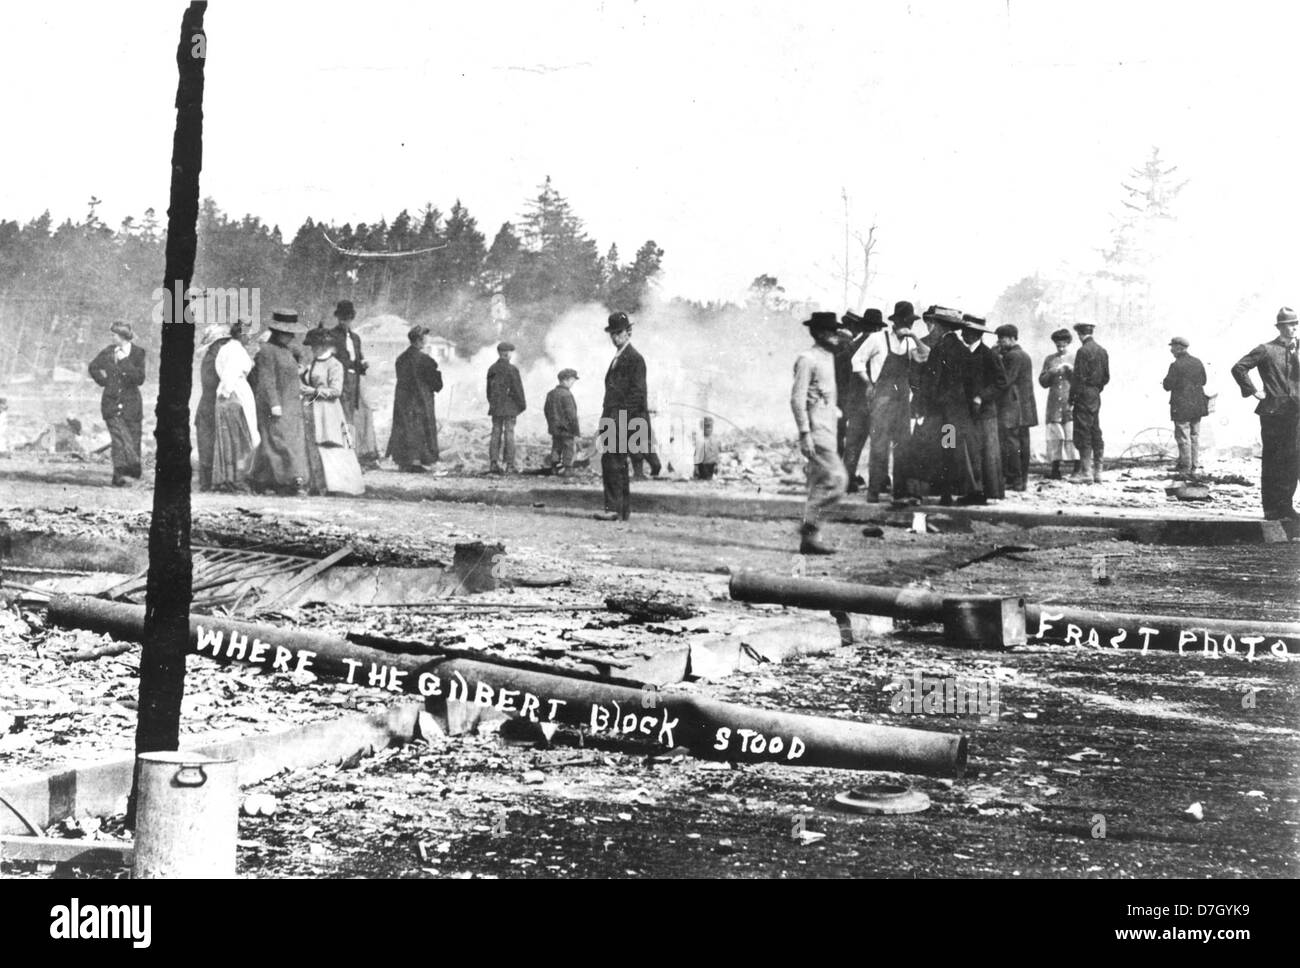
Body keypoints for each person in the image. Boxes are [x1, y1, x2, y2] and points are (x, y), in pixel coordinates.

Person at [1230, 307, 1300, 521]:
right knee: (1273, 460)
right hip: (1273, 413)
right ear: (1280, 327)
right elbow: (1239, 368)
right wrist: (1253, 391)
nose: (1294, 329)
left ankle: (1286, 507)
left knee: (1293, 458)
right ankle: (1271, 509)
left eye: (1296, 324)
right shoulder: (1266, 349)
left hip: (1296, 412)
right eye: (1289, 325)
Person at [791, 311, 849, 553]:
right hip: (816, 431)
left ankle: (810, 541)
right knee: (838, 480)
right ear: (821, 333)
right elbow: (797, 399)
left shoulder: (828, 357)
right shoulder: (808, 359)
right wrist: (804, 433)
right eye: (832, 331)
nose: (837, 336)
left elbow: (847, 342)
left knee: (818, 485)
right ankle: (810, 527)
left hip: (828, 429)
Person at [859, 301, 928, 502]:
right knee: (879, 445)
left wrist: (913, 336)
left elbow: (926, 355)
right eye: (906, 322)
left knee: (902, 446)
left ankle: (899, 492)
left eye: (912, 323)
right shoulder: (877, 339)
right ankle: (874, 491)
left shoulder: (910, 343)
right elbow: (857, 361)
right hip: (882, 398)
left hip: (902, 401)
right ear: (895, 322)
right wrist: (869, 383)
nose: (909, 325)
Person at [917, 306, 979, 506]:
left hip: (942, 414)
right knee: (952, 449)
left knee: (944, 452)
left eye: (935, 324)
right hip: (958, 413)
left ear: (941, 326)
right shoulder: (963, 350)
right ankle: (952, 491)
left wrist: (926, 403)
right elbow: (971, 384)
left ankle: (946, 494)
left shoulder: (940, 348)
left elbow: (931, 382)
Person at [249, 310, 309, 495]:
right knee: (278, 442)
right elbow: (267, 379)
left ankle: (264, 480)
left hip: (291, 403)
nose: (289, 336)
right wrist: (274, 403)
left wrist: (300, 370)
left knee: (286, 442)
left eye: (291, 333)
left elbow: (289, 371)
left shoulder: (287, 349)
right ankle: (286, 482)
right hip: (276, 404)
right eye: (286, 332)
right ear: (276, 332)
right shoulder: (267, 350)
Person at [596, 311, 649, 521]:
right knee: (614, 463)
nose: (615, 337)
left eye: (619, 333)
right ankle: (621, 510)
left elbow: (637, 393)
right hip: (612, 417)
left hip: (621, 418)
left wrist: (621, 419)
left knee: (614, 463)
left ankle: (613, 509)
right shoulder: (618, 357)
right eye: (612, 334)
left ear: (628, 333)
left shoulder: (634, 358)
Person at [300, 328, 364, 496]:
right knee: (314, 446)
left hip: (328, 410)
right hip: (312, 408)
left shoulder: (335, 365)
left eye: (315, 345)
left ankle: (338, 485)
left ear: (324, 345)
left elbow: (336, 391)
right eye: (312, 346)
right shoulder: (313, 363)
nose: (313, 349)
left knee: (331, 445)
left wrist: (313, 391)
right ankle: (317, 484)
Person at [88, 321, 146, 487]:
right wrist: (104, 381)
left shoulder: (138, 353)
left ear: (122, 337)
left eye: (114, 335)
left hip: (132, 404)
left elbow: (139, 379)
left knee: (133, 438)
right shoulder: (107, 352)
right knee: (118, 439)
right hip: (111, 402)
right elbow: (93, 367)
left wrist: (124, 361)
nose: (111, 337)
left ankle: (134, 475)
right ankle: (119, 475)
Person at [961, 315, 1008, 504]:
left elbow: (1001, 382)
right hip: (967, 411)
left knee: (988, 452)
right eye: (964, 330)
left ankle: (990, 493)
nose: (964, 334)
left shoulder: (989, 355)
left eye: (968, 331)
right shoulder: (963, 354)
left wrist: (982, 397)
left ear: (977, 333)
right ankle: (974, 491)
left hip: (986, 412)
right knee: (970, 451)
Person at [841, 308, 886, 491]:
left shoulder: (852, 345)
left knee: (853, 443)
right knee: (879, 444)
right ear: (877, 327)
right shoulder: (883, 345)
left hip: (856, 402)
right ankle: (879, 481)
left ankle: (847, 479)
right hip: (878, 402)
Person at [387, 325, 443, 472]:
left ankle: (405, 461)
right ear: (420, 339)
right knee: (421, 430)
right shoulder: (426, 360)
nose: (427, 339)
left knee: (405, 428)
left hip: (403, 401)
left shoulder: (401, 358)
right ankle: (417, 462)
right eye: (425, 336)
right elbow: (437, 385)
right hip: (421, 401)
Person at [211, 319, 259, 491]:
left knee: (233, 436)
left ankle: (231, 478)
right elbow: (230, 373)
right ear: (241, 334)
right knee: (239, 436)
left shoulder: (228, 348)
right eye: (248, 334)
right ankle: (236, 479)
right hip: (233, 392)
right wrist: (228, 393)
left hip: (232, 391)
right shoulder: (234, 350)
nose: (251, 338)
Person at [994, 323, 1038, 491]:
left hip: (1012, 408)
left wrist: (996, 358)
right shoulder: (1024, 355)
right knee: (1023, 444)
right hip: (1024, 408)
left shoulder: (1012, 356)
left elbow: (1004, 380)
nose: (999, 342)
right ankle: (1022, 480)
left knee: (1011, 444)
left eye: (1002, 339)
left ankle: (1015, 480)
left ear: (1012, 338)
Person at [1068, 322, 1110, 484]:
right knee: (1095, 429)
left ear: (1079, 334)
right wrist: (1096, 389)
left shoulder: (1082, 351)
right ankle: (1098, 472)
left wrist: (1072, 398)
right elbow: (1106, 377)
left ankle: (1086, 472)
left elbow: (1078, 378)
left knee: (1082, 431)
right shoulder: (1102, 350)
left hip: (1083, 394)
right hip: (1095, 394)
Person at [1163, 336, 1208, 478]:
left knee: (1183, 437)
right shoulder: (1197, 362)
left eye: (1172, 347)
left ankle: (1185, 468)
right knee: (1194, 436)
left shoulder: (1176, 365)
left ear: (1178, 348)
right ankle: (1193, 466)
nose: (1171, 350)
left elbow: (1167, 385)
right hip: (1198, 406)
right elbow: (1204, 381)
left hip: (1181, 406)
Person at [1038, 329, 1078, 479]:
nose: (1060, 348)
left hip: (1070, 401)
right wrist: (1051, 372)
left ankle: (1077, 468)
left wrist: (1071, 370)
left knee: (1071, 433)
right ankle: (1055, 469)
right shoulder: (1050, 359)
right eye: (1058, 346)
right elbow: (1042, 382)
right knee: (1054, 435)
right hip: (1054, 402)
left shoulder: (1075, 358)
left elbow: (1081, 380)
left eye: (1063, 345)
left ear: (1068, 343)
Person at [195, 324, 227, 491]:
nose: (223, 345)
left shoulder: (216, 358)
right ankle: (206, 483)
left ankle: (210, 481)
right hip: (209, 407)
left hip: (211, 406)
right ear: (214, 344)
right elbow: (211, 384)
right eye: (220, 342)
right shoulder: (211, 359)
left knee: (211, 444)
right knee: (207, 445)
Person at [486, 341, 526, 473]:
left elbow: (488, 391)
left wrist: (493, 403)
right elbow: (518, 390)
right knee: (509, 434)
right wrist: (521, 405)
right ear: (508, 354)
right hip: (509, 408)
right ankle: (509, 465)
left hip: (496, 407)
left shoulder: (492, 369)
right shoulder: (512, 369)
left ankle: (493, 463)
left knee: (495, 433)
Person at [544, 368, 580, 476]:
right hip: (567, 429)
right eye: (573, 380)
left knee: (556, 447)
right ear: (566, 380)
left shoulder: (551, 394)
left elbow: (546, 410)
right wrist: (576, 431)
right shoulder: (567, 395)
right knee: (568, 447)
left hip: (555, 428)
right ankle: (568, 469)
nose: (573, 382)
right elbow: (572, 415)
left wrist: (551, 424)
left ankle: (554, 468)